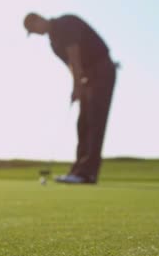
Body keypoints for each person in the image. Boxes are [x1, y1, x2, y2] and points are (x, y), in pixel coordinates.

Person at [24, 13, 117, 184]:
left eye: (33, 29)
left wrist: (77, 85)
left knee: (95, 121)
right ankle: (78, 171)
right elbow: (70, 65)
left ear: (38, 19)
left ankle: (88, 173)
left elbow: (75, 56)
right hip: (87, 76)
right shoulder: (53, 42)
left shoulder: (65, 24)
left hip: (102, 70)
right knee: (83, 123)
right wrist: (77, 86)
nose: (35, 33)